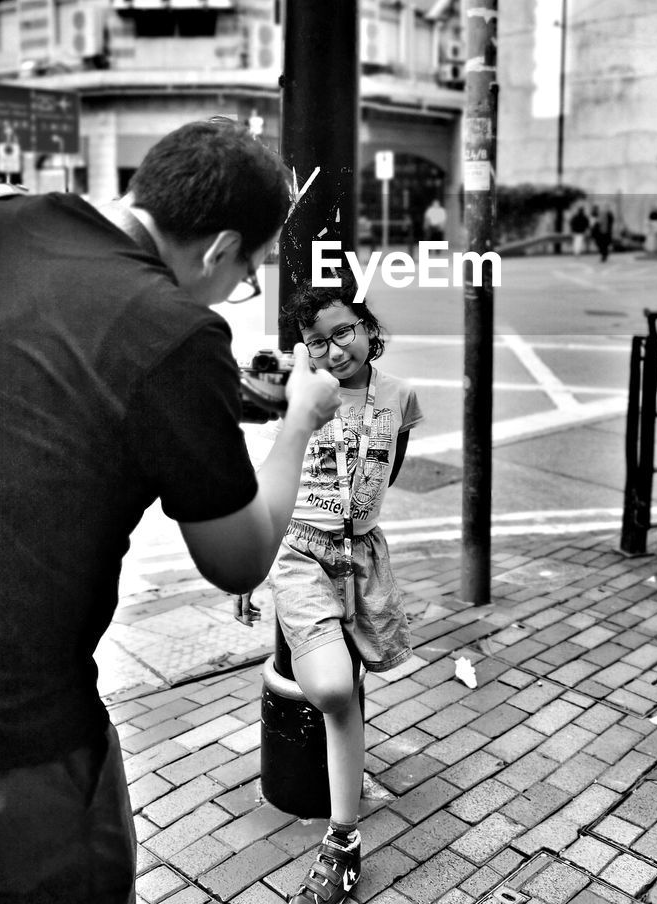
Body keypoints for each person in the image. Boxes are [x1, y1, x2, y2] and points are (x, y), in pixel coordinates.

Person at [0, 119, 341, 903]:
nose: (235, 293)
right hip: (10, 745)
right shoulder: (175, 330)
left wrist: (217, 399)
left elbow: (49, 366)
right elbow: (237, 558)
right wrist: (300, 418)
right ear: (218, 249)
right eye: (247, 274)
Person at [246, 271, 422, 904]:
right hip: (298, 553)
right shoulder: (300, 396)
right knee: (330, 685)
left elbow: (387, 469)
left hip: (363, 554)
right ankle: (342, 812)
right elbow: (274, 474)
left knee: (350, 693)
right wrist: (251, 563)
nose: (332, 349)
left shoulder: (401, 397)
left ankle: (342, 841)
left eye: (342, 330)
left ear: (368, 329)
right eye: (315, 341)